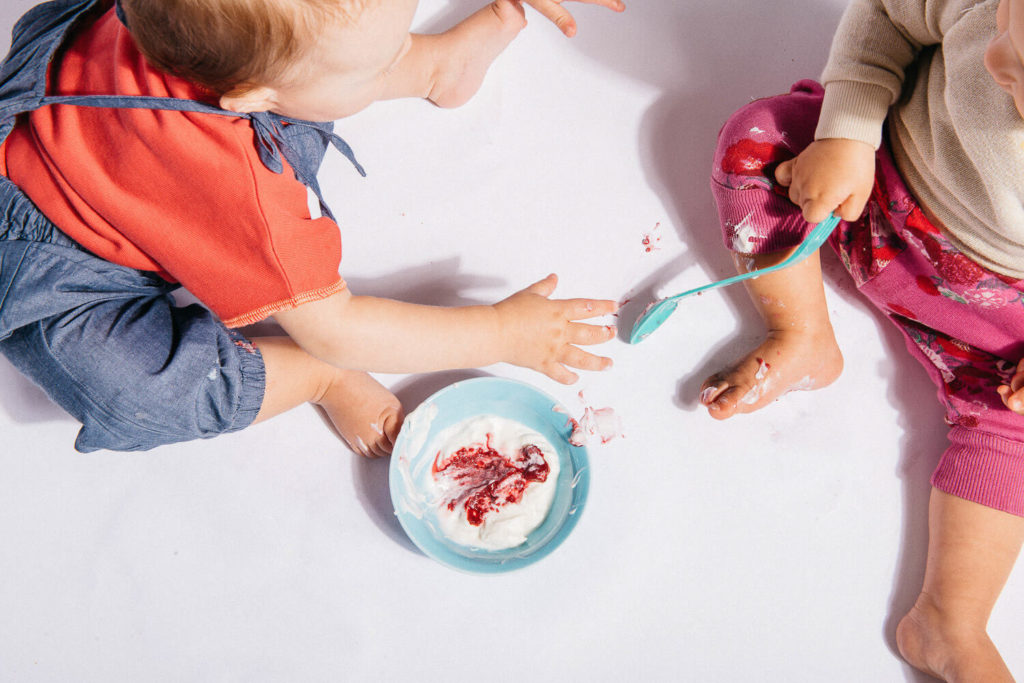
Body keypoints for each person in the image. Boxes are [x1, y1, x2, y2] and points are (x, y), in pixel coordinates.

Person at [0, 0, 624, 458]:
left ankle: (438, 69)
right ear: (251, 99)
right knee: (134, 396)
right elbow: (342, 328)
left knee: (320, 63)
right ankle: (314, 376)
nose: (394, 49)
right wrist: (500, 332)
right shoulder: (248, 197)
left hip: (79, 79)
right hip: (62, 264)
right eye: (383, 64)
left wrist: (370, 60)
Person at [698, 0, 1023, 678]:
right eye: (1004, 28)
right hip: (864, 187)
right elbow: (889, 15)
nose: (994, 60)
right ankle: (802, 332)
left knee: (1017, 425)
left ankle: (948, 620)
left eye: (1020, 76)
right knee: (754, 139)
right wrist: (847, 131)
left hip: (994, 318)